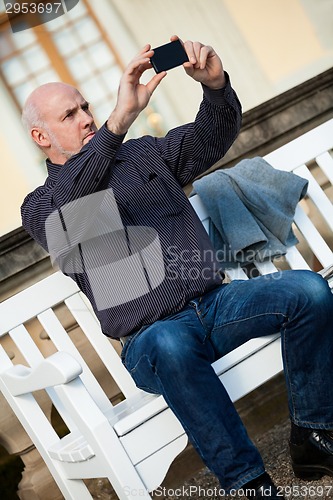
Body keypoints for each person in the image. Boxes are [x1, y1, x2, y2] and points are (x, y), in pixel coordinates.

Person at [21, 36, 333, 499]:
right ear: (41, 137)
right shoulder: (43, 205)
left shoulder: (143, 154)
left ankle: (313, 435)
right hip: (150, 340)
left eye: (86, 106)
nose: (87, 118)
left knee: (308, 291)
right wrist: (118, 122)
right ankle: (248, 483)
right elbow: (77, 197)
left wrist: (215, 87)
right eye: (70, 115)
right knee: (169, 342)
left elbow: (212, 138)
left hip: (216, 304)